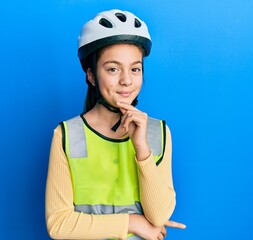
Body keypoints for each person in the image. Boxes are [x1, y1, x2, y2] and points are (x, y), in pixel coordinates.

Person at [45, 9, 186, 240]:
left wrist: (142, 149)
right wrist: (133, 222)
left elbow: (159, 216)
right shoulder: (67, 135)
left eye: (135, 69)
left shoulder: (157, 132)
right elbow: (59, 224)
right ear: (91, 75)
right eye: (113, 69)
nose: (126, 80)